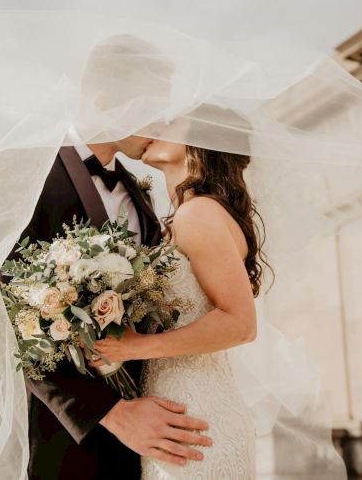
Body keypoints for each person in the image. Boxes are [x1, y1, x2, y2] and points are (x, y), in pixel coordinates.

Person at [5, 33, 212, 480]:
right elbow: (9, 311)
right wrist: (113, 414)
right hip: (69, 439)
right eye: (151, 108)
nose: (160, 124)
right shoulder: (23, 170)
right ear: (105, 100)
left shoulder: (142, 198)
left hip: (155, 436)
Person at [91, 106, 272, 479]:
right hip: (176, 413)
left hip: (198, 419)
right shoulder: (184, 216)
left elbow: (240, 323)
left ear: (203, 142)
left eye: (171, 122)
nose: (155, 124)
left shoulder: (200, 215)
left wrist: (134, 346)